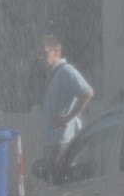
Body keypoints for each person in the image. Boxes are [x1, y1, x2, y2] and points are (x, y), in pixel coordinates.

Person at [37, 34, 93, 168]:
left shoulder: (66, 71)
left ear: (56, 52)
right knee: (53, 182)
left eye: (44, 53)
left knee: (61, 183)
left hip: (64, 141)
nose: (41, 58)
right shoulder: (53, 75)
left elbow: (87, 93)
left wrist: (67, 117)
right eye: (39, 54)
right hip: (52, 140)